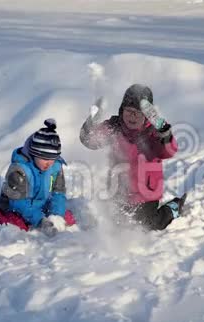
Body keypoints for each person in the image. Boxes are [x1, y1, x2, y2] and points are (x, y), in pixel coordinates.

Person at [80, 84, 186, 230]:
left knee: (147, 225)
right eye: (129, 111)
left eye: (138, 113)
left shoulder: (152, 133)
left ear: (147, 116)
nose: (132, 116)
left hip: (146, 193)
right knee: (116, 226)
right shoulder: (114, 127)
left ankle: (173, 207)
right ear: (121, 110)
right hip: (118, 190)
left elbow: (169, 151)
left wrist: (165, 134)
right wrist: (91, 121)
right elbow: (90, 141)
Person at [0, 119, 76, 237]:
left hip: (40, 206)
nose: (49, 163)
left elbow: (58, 193)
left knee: (67, 218)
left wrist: (56, 215)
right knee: (17, 225)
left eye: (52, 158)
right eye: (44, 158)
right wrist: (39, 221)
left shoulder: (56, 167)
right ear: (34, 154)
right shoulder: (20, 169)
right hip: (15, 209)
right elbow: (18, 203)